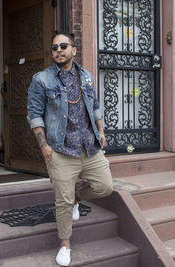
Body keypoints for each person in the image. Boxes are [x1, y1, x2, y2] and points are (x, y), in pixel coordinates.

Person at [27, 32, 113, 266]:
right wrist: (44, 147)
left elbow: (95, 105)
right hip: (61, 149)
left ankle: (77, 199)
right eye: (54, 47)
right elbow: (34, 115)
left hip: (89, 145)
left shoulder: (86, 76)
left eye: (63, 46)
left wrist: (101, 130)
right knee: (61, 201)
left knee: (105, 186)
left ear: (74, 50)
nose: (58, 50)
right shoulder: (42, 80)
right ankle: (65, 245)